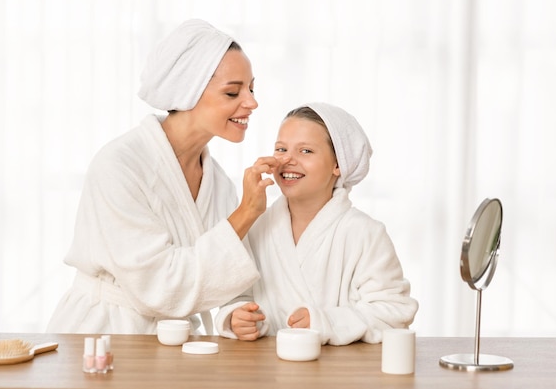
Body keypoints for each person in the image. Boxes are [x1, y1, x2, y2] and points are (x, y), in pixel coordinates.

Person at [46, 19, 283, 334]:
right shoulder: (120, 166)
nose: (252, 102)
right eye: (232, 92)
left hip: (173, 340)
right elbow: (158, 285)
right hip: (103, 333)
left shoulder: (219, 183)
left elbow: (228, 277)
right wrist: (246, 213)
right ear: (189, 91)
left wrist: (233, 314)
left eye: (251, 88)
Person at [215, 103, 419, 345]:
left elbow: (393, 312)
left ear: (338, 165)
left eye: (306, 151)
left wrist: (325, 323)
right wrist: (238, 317)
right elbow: (236, 293)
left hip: (338, 374)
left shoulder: (365, 233)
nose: (287, 160)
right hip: (268, 369)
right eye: (281, 149)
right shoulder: (257, 226)